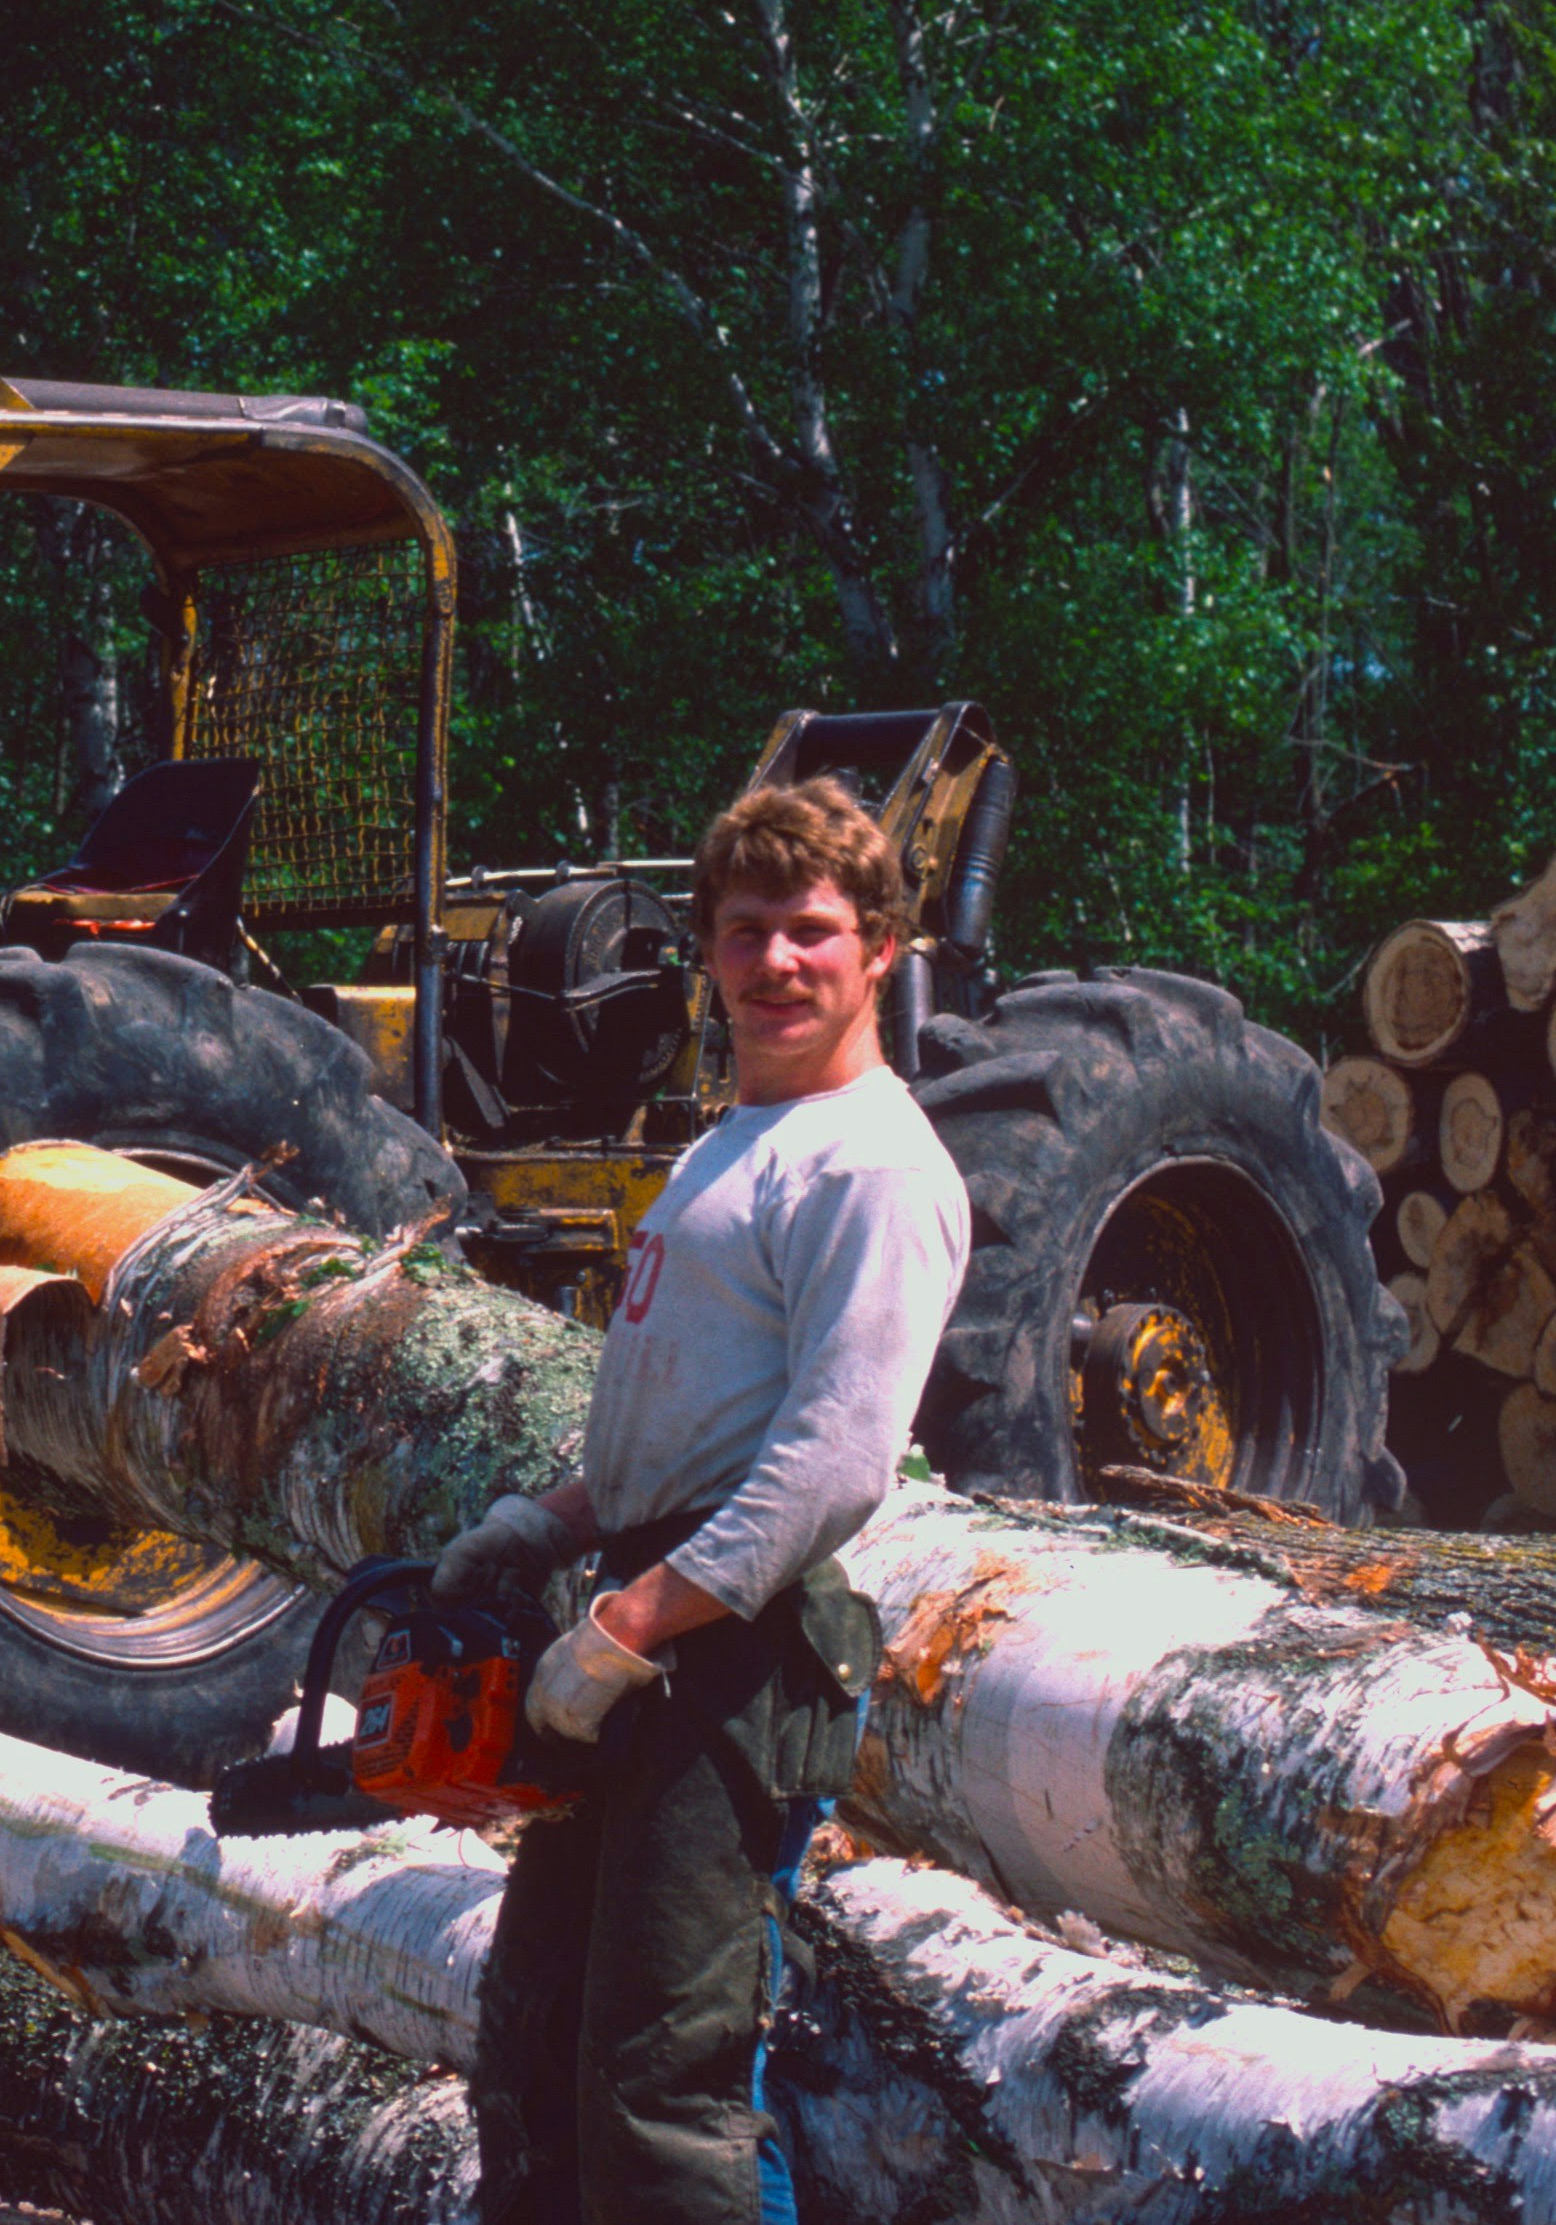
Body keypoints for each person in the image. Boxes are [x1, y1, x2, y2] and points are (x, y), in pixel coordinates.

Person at [434, 777, 972, 2225]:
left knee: (665, 2092)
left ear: (880, 951)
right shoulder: (732, 1144)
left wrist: (631, 1629)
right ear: (710, 954)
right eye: (748, 933)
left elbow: (834, 1462)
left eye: (812, 931)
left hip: (737, 1645)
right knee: (539, 2045)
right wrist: (547, 1523)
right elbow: (679, 1421)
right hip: (649, 1609)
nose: (778, 964)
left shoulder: (874, 1163)